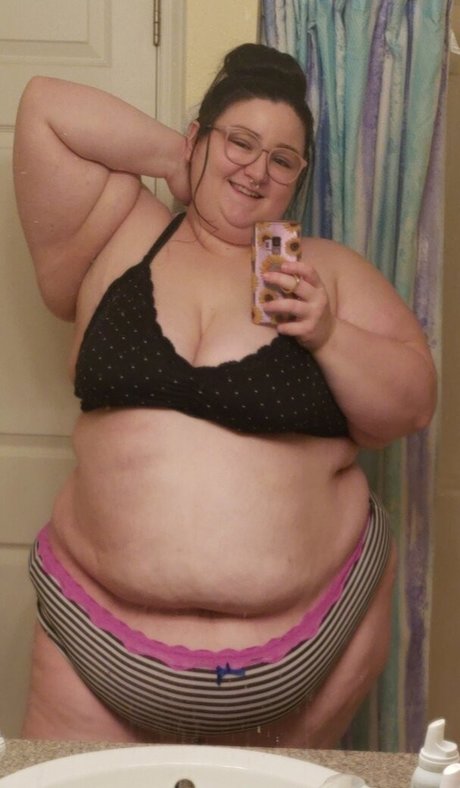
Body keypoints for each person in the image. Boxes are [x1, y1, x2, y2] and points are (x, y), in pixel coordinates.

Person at [13, 43, 436, 747]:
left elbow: (412, 405)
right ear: (198, 138)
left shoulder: (323, 272)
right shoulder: (117, 231)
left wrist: (326, 333)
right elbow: (44, 110)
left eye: (282, 159)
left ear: (299, 177)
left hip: (294, 656)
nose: (257, 169)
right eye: (240, 141)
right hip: (92, 641)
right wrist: (176, 160)